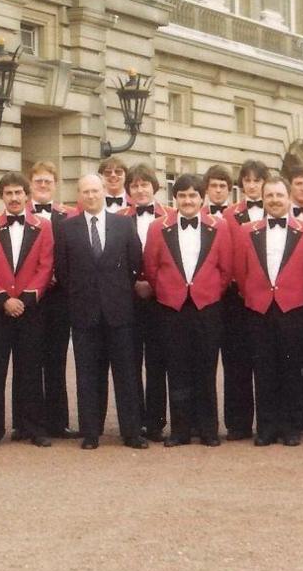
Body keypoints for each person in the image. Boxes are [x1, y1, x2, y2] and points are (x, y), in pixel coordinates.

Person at [54, 174, 146, 450]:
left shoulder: (123, 224)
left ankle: (131, 432)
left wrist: (115, 291)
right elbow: (63, 270)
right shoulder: (67, 228)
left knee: (126, 375)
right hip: (84, 312)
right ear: (79, 196)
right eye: (86, 192)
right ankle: (91, 432)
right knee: (88, 375)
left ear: (104, 191)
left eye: (95, 190)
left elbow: (134, 262)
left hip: (119, 312)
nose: (91, 196)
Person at [233, 174, 303, 446]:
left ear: (288, 198)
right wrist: (256, 297)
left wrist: (294, 297)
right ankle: (267, 428)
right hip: (258, 308)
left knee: (292, 369)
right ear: (263, 198)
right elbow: (240, 271)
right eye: (269, 195)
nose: (274, 200)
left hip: (293, 308)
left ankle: (291, 428)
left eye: (279, 195)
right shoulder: (247, 230)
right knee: (264, 370)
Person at [143, 174, 232, 447]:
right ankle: (180, 430)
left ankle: (208, 429)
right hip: (172, 308)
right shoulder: (158, 227)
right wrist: (171, 292)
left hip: (206, 307)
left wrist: (207, 292)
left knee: (206, 368)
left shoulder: (220, 226)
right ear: (175, 198)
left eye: (193, 195)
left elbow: (226, 269)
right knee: (177, 369)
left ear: (202, 198)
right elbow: (152, 268)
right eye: (182, 195)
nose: (188, 200)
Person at [0, 172, 56, 448]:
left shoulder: (43, 226)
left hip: (30, 309)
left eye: (18, 193)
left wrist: (25, 298)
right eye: (8, 193)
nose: (13, 198)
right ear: (2, 197)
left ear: (26, 195)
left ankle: (32, 427)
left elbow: (45, 267)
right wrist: (3, 299)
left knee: (30, 370)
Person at [119, 163, 172, 441]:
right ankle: (134, 421)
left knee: (156, 362)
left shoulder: (170, 217)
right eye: (135, 185)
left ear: (154, 186)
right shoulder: (116, 218)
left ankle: (155, 423)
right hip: (126, 298)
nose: (140, 190)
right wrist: (133, 284)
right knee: (129, 362)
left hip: (159, 298)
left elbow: (173, 261)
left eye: (144, 184)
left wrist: (152, 285)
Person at [220, 159, 270, 440]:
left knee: (265, 361)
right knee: (236, 362)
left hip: (267, 296)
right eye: (247, 181)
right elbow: (225, 254)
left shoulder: (276, 210)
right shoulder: (229, 215)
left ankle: (268, 422)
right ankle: (238, 424)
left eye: (257, 180)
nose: (252, 185)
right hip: (236, 299)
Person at [28, 161, 78, 439]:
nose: (43, 186)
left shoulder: (68, 216)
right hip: (29, 298)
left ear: (55, 184)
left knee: (56, 361)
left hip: (59, 298)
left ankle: (59, 422)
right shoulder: (19, 215)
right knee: (30, 361)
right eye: (38, 181)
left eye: (48, 181)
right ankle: (28, 423)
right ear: (31, 184)